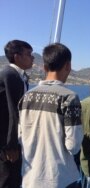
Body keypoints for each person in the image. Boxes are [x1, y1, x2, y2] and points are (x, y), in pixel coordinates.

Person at [18, 43, 83, 188]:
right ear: (68, 66)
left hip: (30, 178)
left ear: (45, 67)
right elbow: (73, 145)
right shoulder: (69, 98)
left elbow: (20, 136)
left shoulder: (26, 97)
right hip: (61, 179)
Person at [0, 39, 33, 188]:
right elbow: (12, 112)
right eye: (28, 54)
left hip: (13, 138)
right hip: (7, 141)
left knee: (14, 178)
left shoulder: (20, 75)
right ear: (17, 56)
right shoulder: (10, 75)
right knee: (8, 179)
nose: (32, 57)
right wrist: (11, 145)